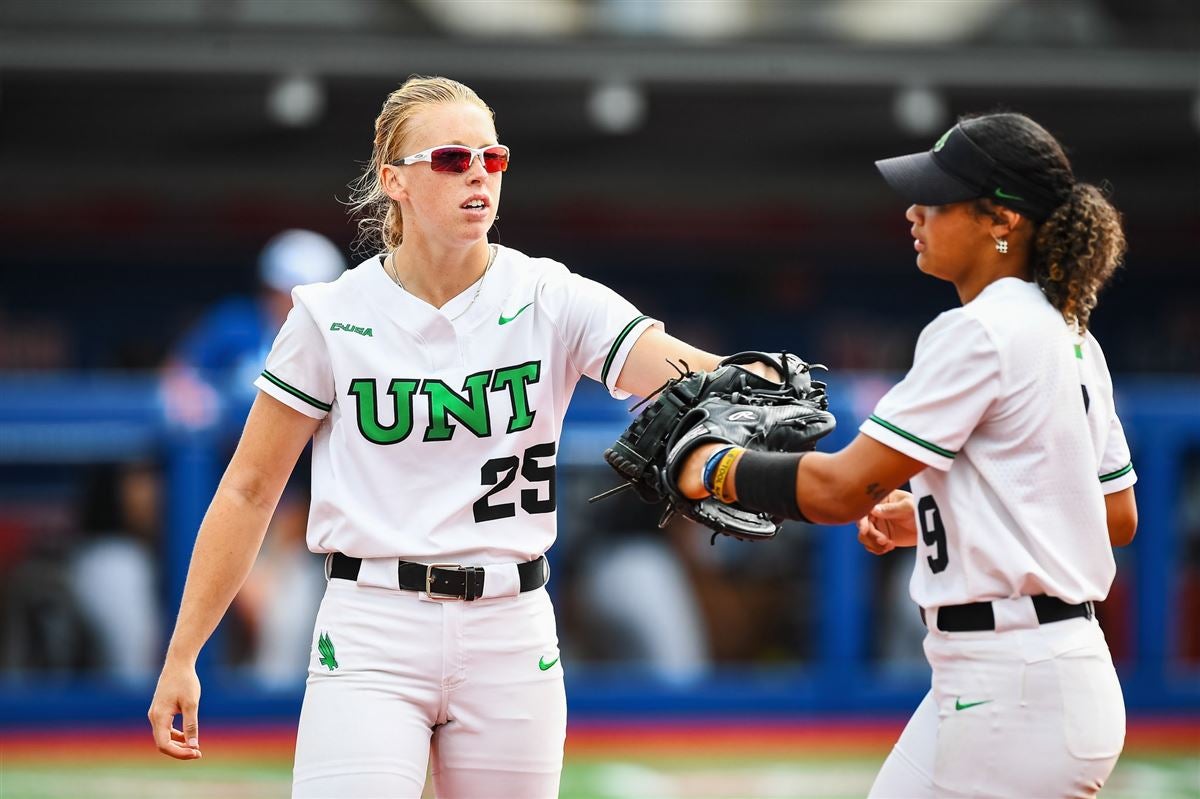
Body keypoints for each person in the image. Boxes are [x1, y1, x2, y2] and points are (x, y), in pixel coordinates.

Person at [147, 75, 751, 798]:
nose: (478, 175)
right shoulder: (328, 314)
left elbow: (698, 373)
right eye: (452, 159)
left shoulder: (550, 297)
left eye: (492, 160)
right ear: (392, 180)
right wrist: (184, 652)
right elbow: (247, 489)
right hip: (372, 621)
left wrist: (801, 417)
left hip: (511, 621)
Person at [675, 112, 1137, 797]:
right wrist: (933, 514)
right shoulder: (1070, 332)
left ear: (999, 219)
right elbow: (1113, 515)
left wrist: (712, 467)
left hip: (1014, 689)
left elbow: (840, 489)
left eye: (938, 198)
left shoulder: (980, 329)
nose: (914, 211)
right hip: (1032, 674)